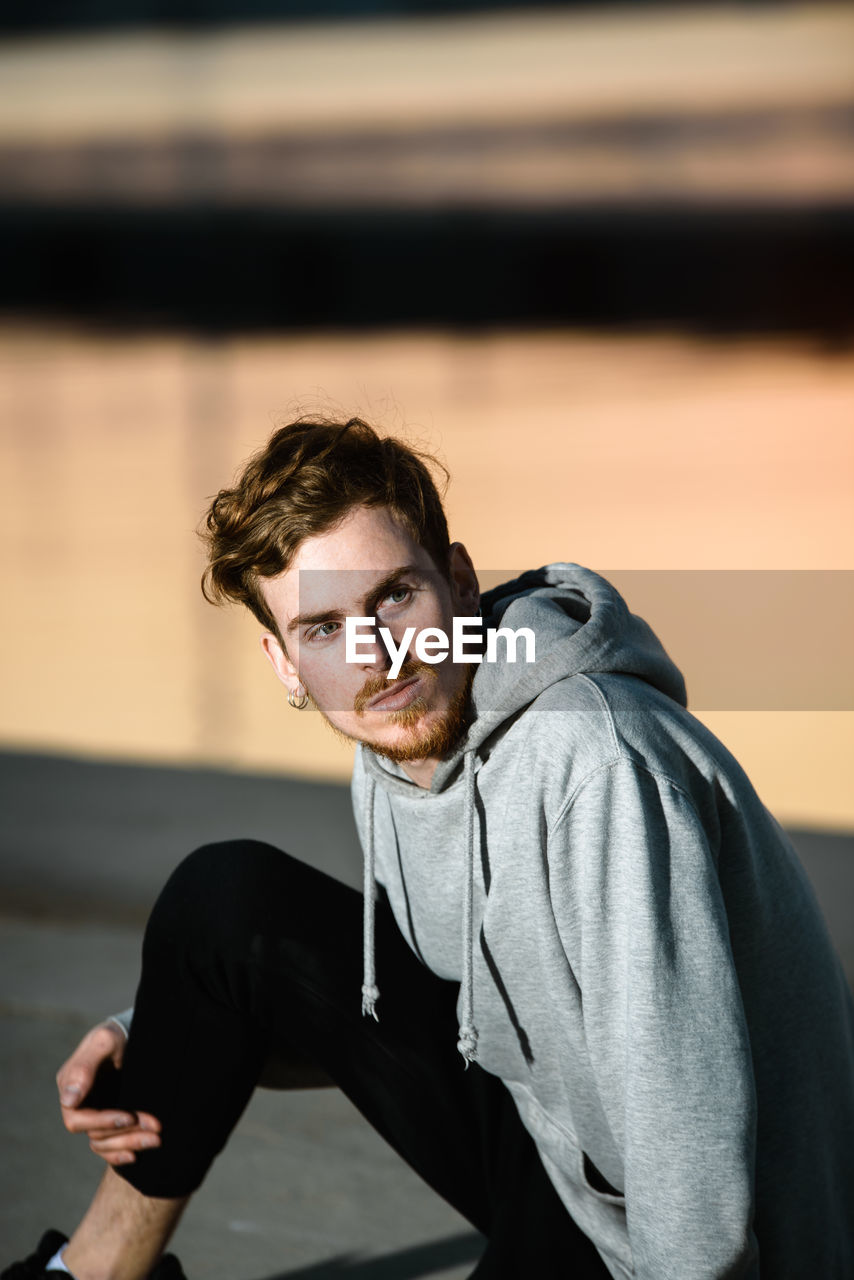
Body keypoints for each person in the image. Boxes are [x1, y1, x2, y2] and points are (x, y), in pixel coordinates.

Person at [5, 416, 854, 1280]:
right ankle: (88, 1274)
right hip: (566, 1163)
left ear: (458, 582)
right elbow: (425, 1022)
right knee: (224, 903)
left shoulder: (592, 761)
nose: (377, 657)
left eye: (395, 596)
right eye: (325, 628)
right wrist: (162, 1042)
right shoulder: (396, 746)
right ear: (283, 662)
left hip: (733, 1245)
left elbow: (690, 1131)